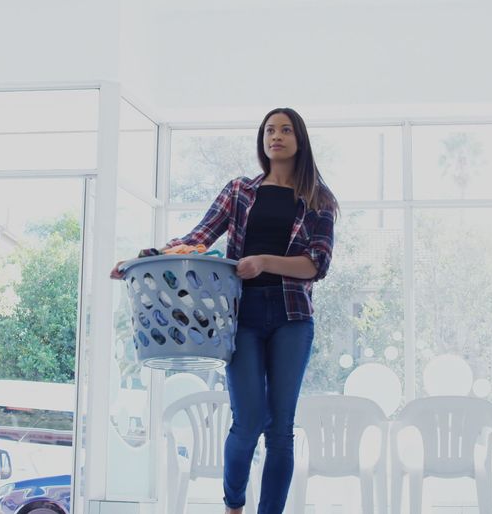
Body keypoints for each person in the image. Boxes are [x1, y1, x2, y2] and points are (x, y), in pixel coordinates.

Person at [111, 108, 338, 514]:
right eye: (270, 130)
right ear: (262, 140)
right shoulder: (240, 191)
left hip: (292, 318)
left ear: (300, 140)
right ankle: (234, 505)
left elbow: (315, 265)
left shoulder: (318, 200)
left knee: (280, 430)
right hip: (241, 316)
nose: (277, 136)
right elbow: (197, 238)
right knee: (248, 421)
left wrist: (264, 261)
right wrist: (143, 258)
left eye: (286, 130)